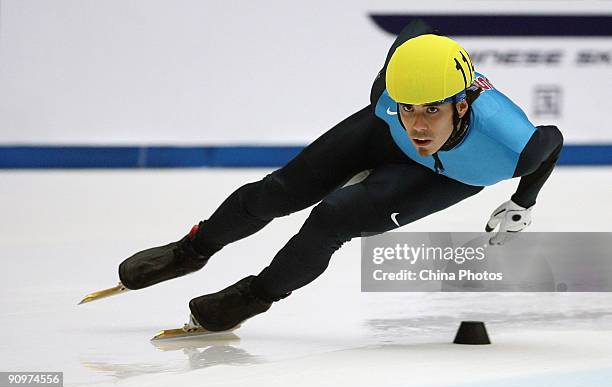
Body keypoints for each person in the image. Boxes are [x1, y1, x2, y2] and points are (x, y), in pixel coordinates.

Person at [117, 20, 563, 332]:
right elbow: (416, 29)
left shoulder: (512, 145)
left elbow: (553, 141)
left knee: (332, 218)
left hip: (450, 175)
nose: (420, 126)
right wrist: (407, 102)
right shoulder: (387, 98)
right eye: (410, 108)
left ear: (461, 105)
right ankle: (193, 249)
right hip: (381, 137)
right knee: (279, 191)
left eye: (433, 110)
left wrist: (524, 202)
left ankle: (255, 296)